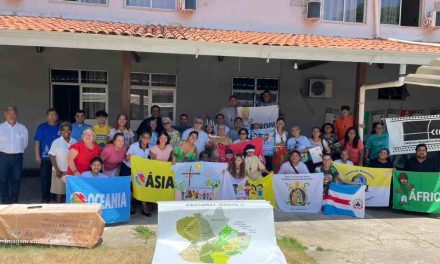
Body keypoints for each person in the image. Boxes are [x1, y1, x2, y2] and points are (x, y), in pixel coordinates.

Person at [0, 106, 29, 204]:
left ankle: (14, 200)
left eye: (13, 114)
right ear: (5, 115)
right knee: (3, 179)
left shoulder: (22, 128)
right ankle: (5, 199)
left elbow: (25, 144)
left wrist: (18, 151)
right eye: (9, 114)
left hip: (17, 157)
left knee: (16, 179)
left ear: (16, 115)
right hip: (3, 156)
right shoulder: (1, 128)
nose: (11, 116)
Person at [34, 108, 60, 203]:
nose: (52, 116)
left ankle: (56, 196)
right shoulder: (42, 127)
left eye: (54, 114)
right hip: (45, 157)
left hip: (58, 158)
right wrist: (37, 156)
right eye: (50, 115)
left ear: (57, 116)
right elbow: (37, 142)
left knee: (57, 177)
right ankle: (45, 198)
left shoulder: (60, 127)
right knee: (45, 177)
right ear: (47, 116)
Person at [123, 131, 152, 215]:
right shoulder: (133, 146)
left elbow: (151, 159)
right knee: (131, 188)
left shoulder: (150, 148)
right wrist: (128, 157)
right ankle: (130, 206)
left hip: (141, 170)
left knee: (143, 187)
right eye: (143, 137)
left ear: (150, 139)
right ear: (140, 137)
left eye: (147, 138)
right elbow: (126, 159)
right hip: (129, 168)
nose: (145, 139)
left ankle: (144, 208)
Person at [49, 122, 76, 203]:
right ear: (60, 131)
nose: (66, 132)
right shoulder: (56, 142)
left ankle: (69, 208)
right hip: (59, 170)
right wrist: (57, 170)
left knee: (70, 191)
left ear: (71, 131)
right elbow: (52, 155)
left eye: (68, 130)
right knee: (59, 192)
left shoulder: (75, 141)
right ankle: (59, 209)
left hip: (71, 171)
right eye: (63, 130)